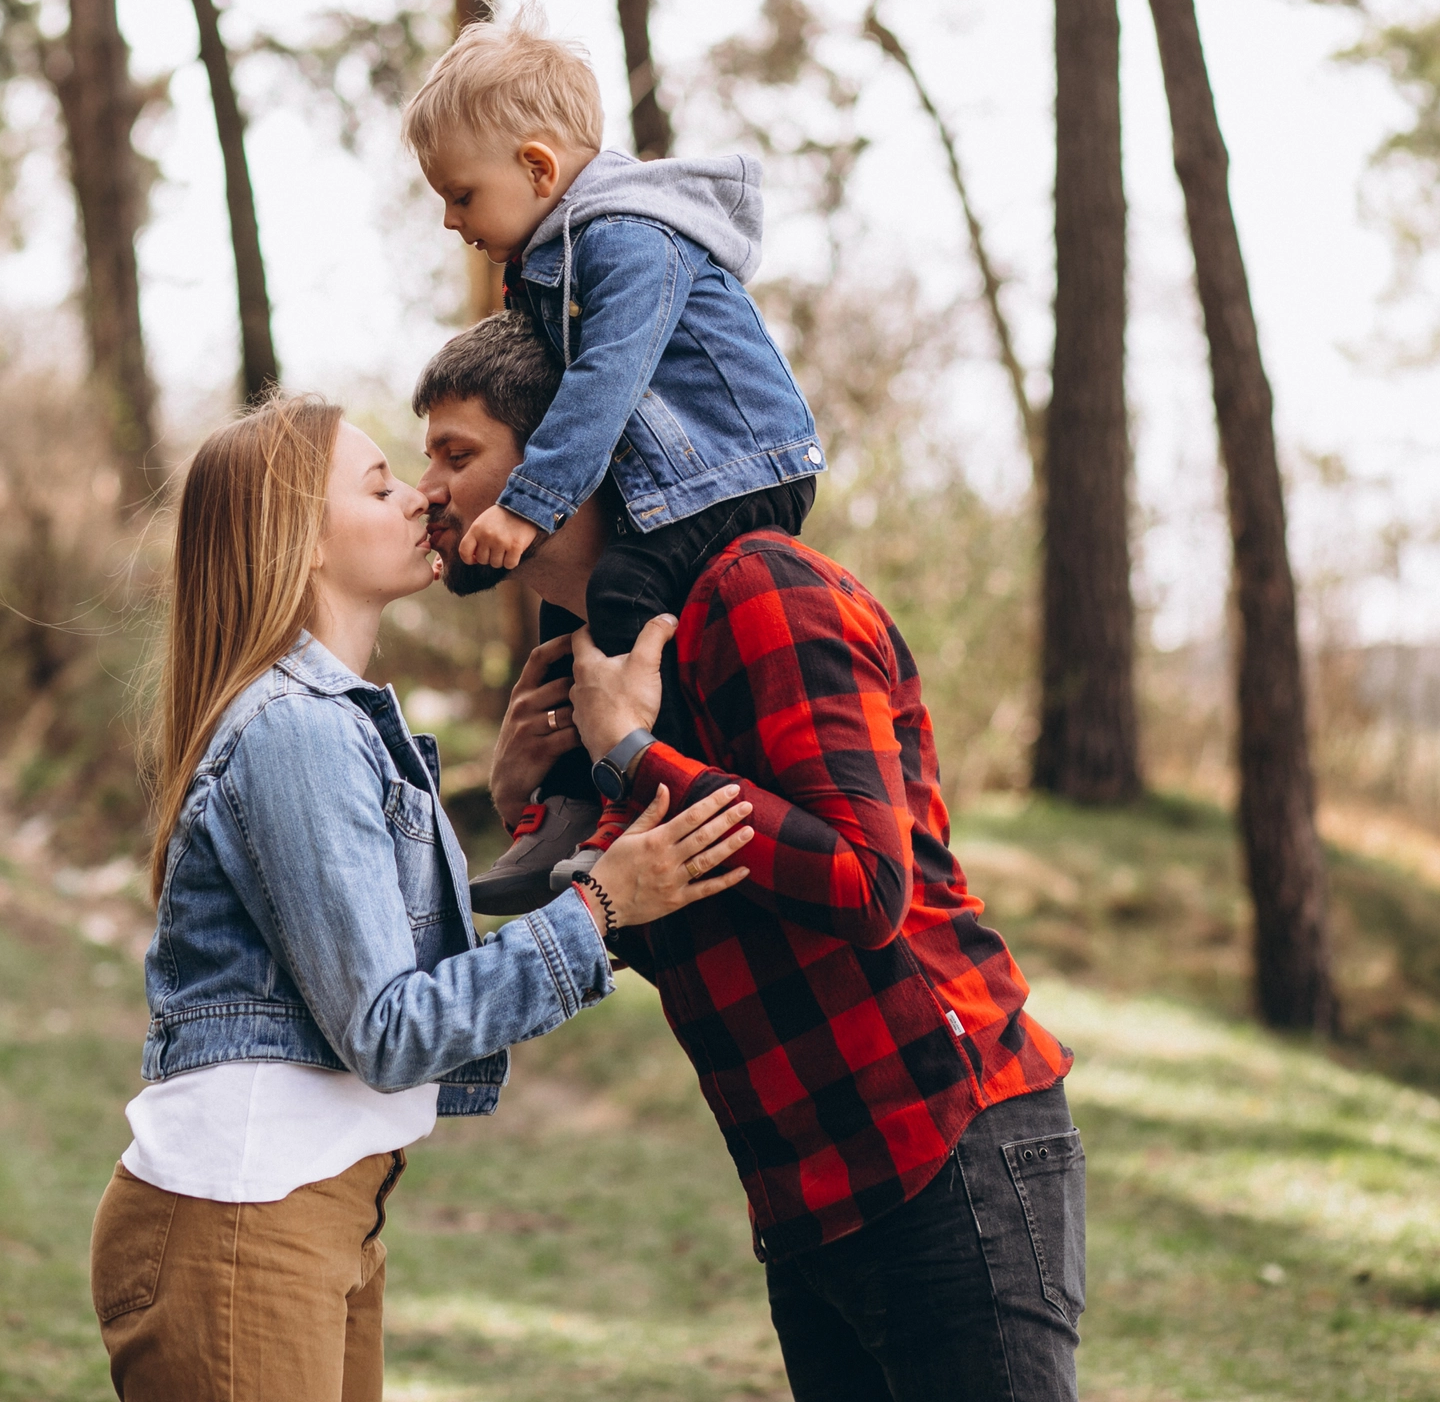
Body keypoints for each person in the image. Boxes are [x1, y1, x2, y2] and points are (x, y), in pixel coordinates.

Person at [413, 318, 1087, 1402]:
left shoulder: (758, 589)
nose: (428, 491)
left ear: (565, 453)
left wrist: (633, 754)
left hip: (940, 1143)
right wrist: (530, 809)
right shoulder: (603, 658)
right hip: (803, 1188)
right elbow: (680, 924)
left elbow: (865, 882)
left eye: (457, 453)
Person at [90, 395, 757, 1402]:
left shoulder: (334, 722)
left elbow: (382, 956)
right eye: (379, 487)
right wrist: (597, 908)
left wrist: (527, 820)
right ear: (302, 541)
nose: (421, 498)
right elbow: (390, 1027)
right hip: (246, 1217)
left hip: (312, 1207)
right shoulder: (297, 730)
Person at [402, 6, 826, 908]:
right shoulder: (547, 258)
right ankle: (559, 811)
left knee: (624, 597)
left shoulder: (626, 236)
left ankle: (631, 806)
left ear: (537, 167)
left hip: (736, 467)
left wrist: (529, 502)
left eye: (461, 195)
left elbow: (607, 378)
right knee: (565, 622)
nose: (447, 219)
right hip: (672, 478)